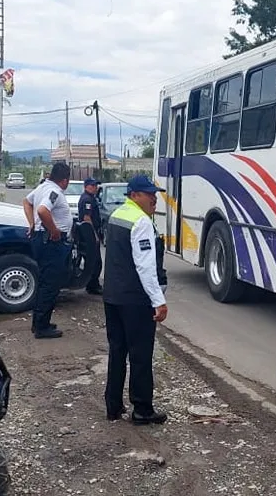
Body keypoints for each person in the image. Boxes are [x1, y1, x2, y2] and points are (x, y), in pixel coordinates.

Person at [102, 174, 169, 425]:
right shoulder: (140, 222)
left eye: (155, 193)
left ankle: (113, 405)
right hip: (135, 300)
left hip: (113, 297)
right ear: (134, 195)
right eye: (149, 193)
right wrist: (158, 300)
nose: (154, 198)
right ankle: (142, 409)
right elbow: (145, 268)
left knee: (117, 351)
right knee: (140, 355)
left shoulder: (118, 215)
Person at [22, 162, 72, 339]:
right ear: (65, 180)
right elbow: (43, 210)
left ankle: (40, 323)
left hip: (42, 239)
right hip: (51, 242)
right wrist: (54, 230)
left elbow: (27, 202)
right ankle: (42, 327)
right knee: (50, 284)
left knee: (45, 282)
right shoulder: (54, 192)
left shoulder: (42, 187)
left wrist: (32, 224)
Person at [77, 178, 103, 295]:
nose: (95, 188)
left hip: (89, 233)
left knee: (94, 260)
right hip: (89, 234)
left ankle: (92, 284)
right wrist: (94, 235)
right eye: (93, 185)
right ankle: (92, 286)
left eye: (96, 185)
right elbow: (87, 218)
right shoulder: (87, 199)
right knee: (95, 261)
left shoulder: (91, 198)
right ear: (87, 186)